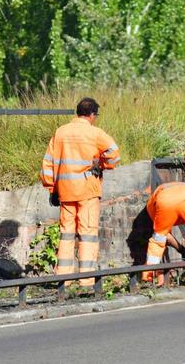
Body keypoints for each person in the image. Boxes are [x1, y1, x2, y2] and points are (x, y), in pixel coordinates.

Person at [40, 97, 120, 286]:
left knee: (66, 234)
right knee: (88, 234)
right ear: (92, 114)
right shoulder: (95, 133)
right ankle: (86, 280)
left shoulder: (60, 132)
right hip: (88, 191)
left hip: (66, 192)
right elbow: (114, 154)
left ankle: (64, 279)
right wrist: (101, 164)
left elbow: (47, 164)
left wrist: (52, 188)